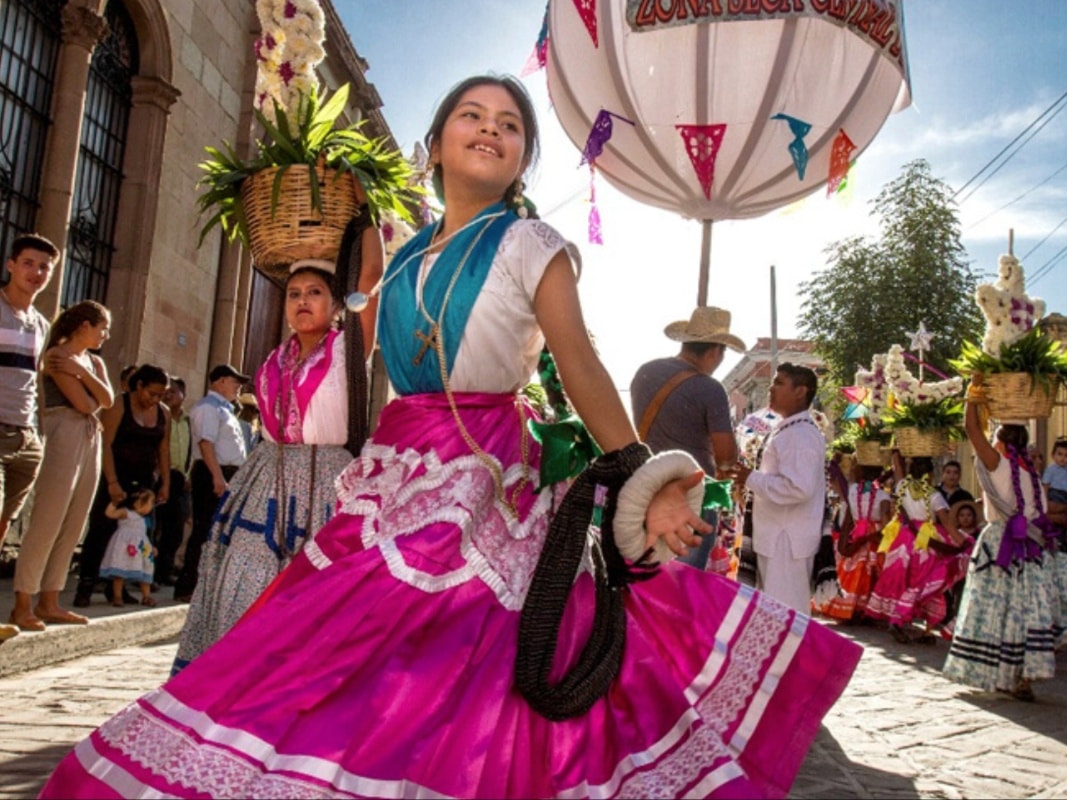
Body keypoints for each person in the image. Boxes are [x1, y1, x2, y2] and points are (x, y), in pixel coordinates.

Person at [41, 75, 861, 799]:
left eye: (511, 124)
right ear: (433, 146)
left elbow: (580, 362)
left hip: (482, 472)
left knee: (460, 649)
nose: (491, 128)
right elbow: (351, 334)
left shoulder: (532, 244)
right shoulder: (400, 263)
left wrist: (640, 474)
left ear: (522, 161)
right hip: (393, 468)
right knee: (331, 642)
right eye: (472, 115)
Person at [172, 260, 366, 673]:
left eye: (314, 292)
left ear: (337, 305)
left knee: (321, 584)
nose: (302, 301)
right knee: (243, 575)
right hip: (266, 479)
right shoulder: (274, 360)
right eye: (294, 294)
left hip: (326, 478)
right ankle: (232, 679)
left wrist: (365, 222)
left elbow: (369, 279)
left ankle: (297, 685)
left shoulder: (347, 351)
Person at [943, 377, 1067, 701]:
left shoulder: (998, 464)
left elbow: (971, 429)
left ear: (1000, 442)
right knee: (1024, 609)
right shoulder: (1032, 475)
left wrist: (974, 392)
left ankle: (997, 672)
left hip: (999, 545)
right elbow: (1042, 515)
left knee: (997, 607)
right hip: (1032, 550)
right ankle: (1021, 675)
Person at [10, 301, 114, 631]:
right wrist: (91, 390)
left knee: (74, 520)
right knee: (48, 518)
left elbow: (108, 400)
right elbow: (84, 403)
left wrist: (82, 373)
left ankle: (50, 600)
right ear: (84, 326)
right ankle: (23, 602)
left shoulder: (93, 362)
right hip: (62, 431)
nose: (105, 335)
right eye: (102, 328)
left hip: (90, 437)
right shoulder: (57, 355)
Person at [630, 306, 744, 569]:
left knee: (643, 577)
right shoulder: (709, 388)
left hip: (644, 488)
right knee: (681, 580)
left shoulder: (645, 372)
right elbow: (726, 457)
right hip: (691, 497)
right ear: (715, 351)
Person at [731, 363, 826, 611]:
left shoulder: (800, 435)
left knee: (784, 615)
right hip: (778, 538)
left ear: (800, 391)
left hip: (786, 542)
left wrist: (751, 478)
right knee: (774, 614)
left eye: (779, 383)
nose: (771, 389)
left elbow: (798, 488)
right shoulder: (789, 430)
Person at [73, 363, 170, 607]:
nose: (154, 399)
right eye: (151, 393)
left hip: (144, 482)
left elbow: (163, 449)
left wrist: (165, 483)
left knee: (136, 535)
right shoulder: (119, 404)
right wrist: (112, 482)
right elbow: (106, 444)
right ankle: (86, 584)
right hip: (115, 474)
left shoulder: (163, 413)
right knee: (102, 529)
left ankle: (118, 586)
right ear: (139, 385)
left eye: (160, 395)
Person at [0, 234, 57, 642]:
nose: (36, 273)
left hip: (25, 438)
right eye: (28, 263)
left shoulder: (40, 323)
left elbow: (33, 382)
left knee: (3, 526)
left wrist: (36, 432)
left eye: (44, 267)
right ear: (11, 265)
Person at [866, 452, 963, 643]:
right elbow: (947, 523)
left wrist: (896, 452)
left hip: (904, 539)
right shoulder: (934, 495)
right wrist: (962, 542)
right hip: (925, 541)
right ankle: (919, 627)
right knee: (926, 583)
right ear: (931, 474)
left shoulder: (902, 486)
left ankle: (904, 622)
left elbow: (897, 469)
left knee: (906, 581)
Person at [173, 364, 249, 601]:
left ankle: (208, 584)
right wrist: (217, 477)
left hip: (226, 472)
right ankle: (188, 585)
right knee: (204, 528)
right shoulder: (208, 407)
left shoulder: (225, 409)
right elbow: (206, 443)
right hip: (213, 472)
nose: (238, 387)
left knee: (219, 529)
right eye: (234, 381)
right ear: (220, 381)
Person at [814, 459, 891, 622]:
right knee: (872, 570)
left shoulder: (853, 491)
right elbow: (885, 521)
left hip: (855, 533)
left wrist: (845, 538)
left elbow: (847, 518)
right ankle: (867, 610)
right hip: (875, 536)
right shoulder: (883, 496)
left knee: (852, 568)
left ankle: (848, 607)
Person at [156, 376, 190, 586]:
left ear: (183, 395)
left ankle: (165, 569)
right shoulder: (159, 415)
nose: (169, 395)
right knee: (156, 525)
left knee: (176, 527)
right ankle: (147, 572)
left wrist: (188, 474)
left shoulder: (189, 421)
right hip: (161, 474)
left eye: (173, 392)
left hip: (180, 477)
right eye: (166, 392)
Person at [98, 488, 158, 607]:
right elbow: (110, 514)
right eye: (150, 502)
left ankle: (146, 596)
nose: (152, 506)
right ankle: (117, 596)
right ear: (139, 502)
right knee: (120, 570)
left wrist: (151, 547)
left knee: (145, 570)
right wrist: (114, 503)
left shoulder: (145, 520)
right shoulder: (126, 513)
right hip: (125, 547)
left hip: (140, 547)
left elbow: (145, 535)